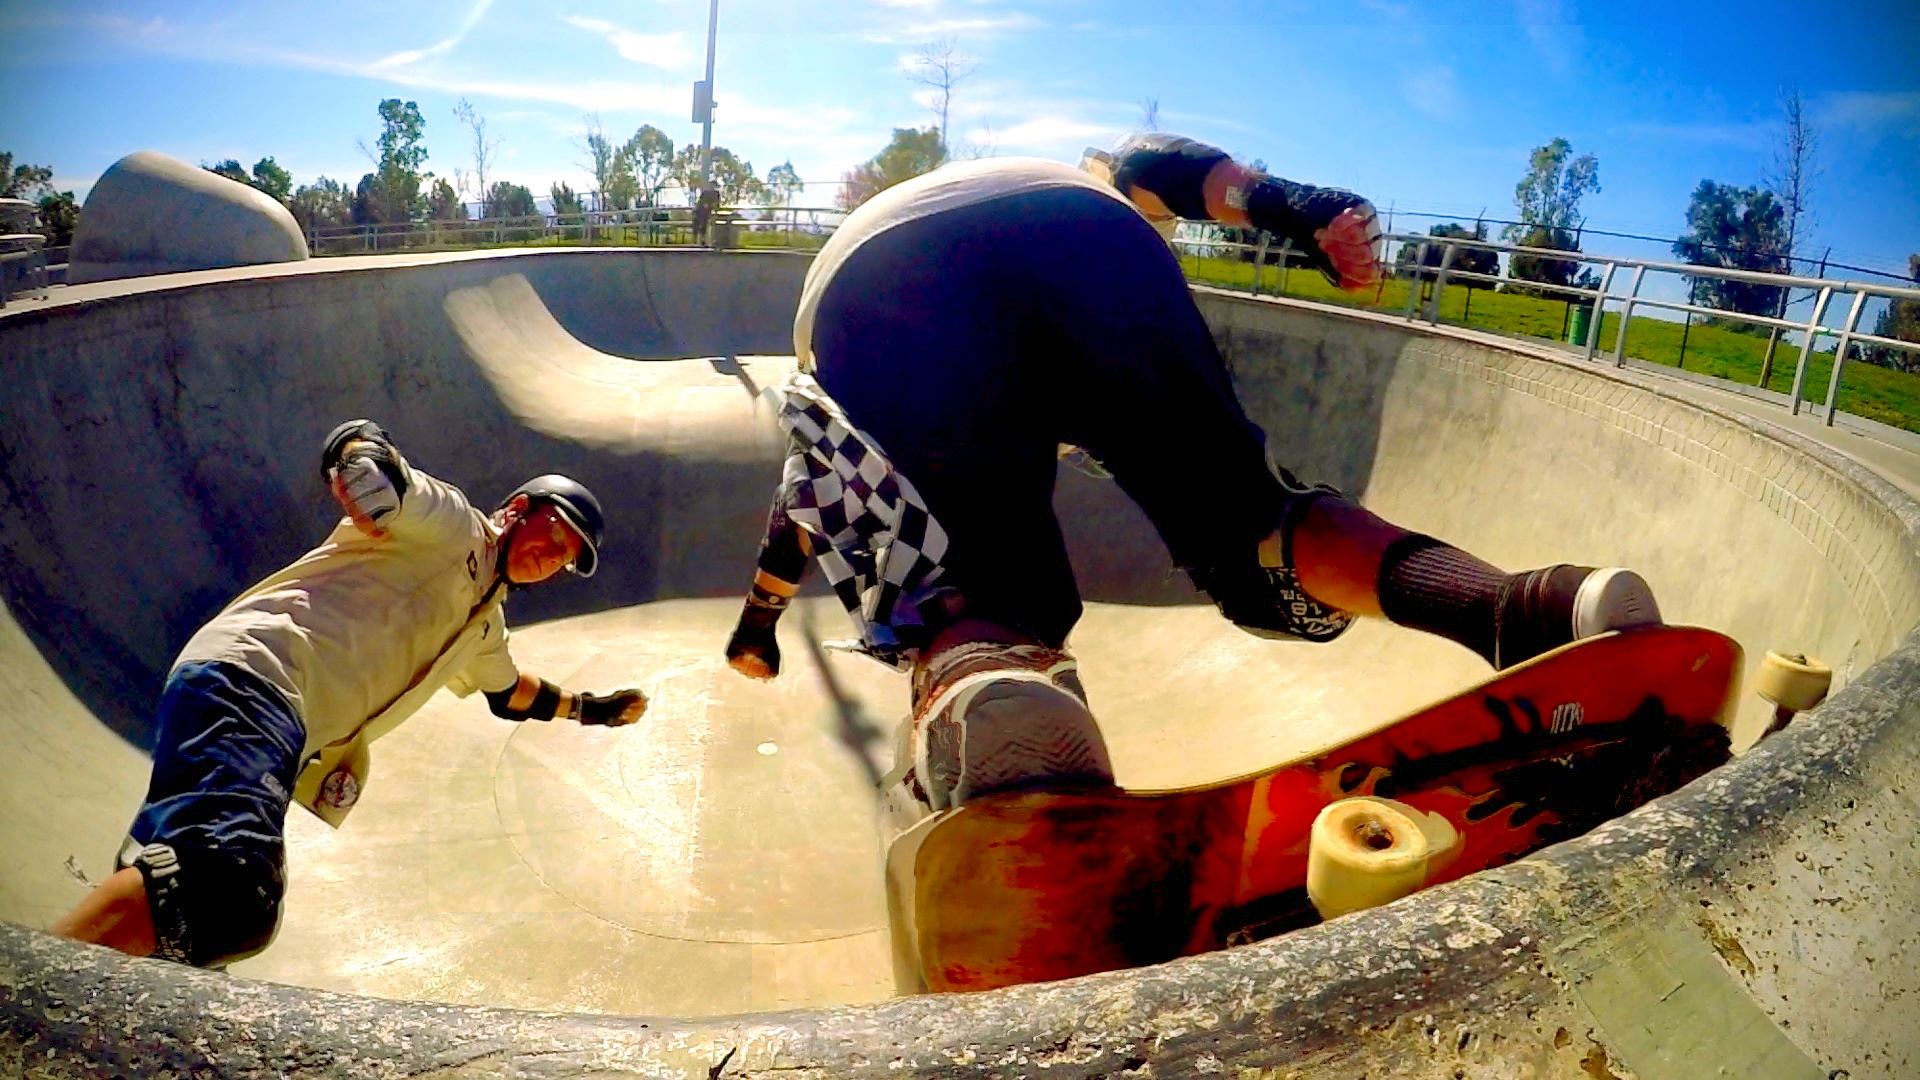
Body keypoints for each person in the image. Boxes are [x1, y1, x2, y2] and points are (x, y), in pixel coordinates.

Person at [723, 133, 1661, 813]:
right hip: (1090, 243)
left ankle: (983, 695)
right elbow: (1159, 164)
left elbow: (802, 514)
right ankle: (1532, 610)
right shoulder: (1079, 173)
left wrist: (758, 626)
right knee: (1256, 520)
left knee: (970, 582)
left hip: (874, 285)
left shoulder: (850, 363)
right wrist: (1296, 205)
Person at [51, 420, 650, 968]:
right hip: (257, 676)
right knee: (229, 887)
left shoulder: (484, 625)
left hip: (277, 719)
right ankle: (31, 997)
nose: (554, 558)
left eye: (568, 559)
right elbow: (381, 464)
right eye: (556, 534)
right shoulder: (455, 526)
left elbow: (509, 693)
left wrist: (591, 710)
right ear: (519, 509)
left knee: (192, 915)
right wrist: (361, 460)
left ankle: (119, 982)